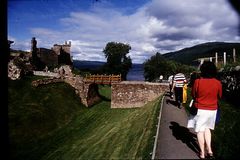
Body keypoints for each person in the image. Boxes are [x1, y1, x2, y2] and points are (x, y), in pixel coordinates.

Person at [187, 61, 222, 159]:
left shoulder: (198, 82)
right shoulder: (218, 83)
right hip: (212, 110)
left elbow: (193, 95)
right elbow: (220, 96)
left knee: (200, 131)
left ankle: (202, 153)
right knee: (207, 129)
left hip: (200, 109)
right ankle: (210, 151)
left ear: (202, 70)